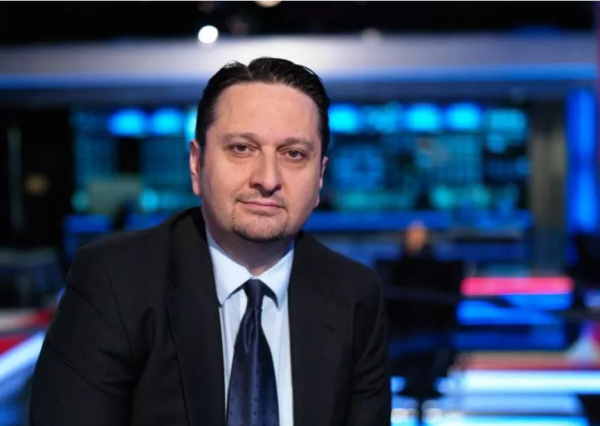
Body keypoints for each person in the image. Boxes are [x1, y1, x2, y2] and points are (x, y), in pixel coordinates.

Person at [30, 57, 390, 426]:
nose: (268, 179)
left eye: (294, 154)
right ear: (196, 164)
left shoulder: (356, 295)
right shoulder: (113, 283)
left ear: (320, 177)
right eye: (242, 148)